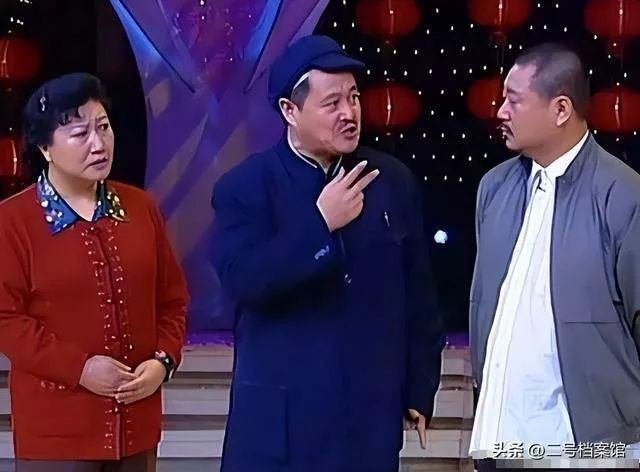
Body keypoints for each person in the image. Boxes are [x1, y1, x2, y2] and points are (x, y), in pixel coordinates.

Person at [210, 35, 444, 472]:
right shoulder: (245, 187)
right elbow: (244, 279)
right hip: (280, 430)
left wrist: (419, 386)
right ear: (290, 111)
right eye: (332, 102)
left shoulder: (391, 180)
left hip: (368, 423)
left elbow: (419, 295)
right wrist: (320, 225)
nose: (349, 113)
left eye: (353, 98)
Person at [0, 73, 188, 471]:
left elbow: (173, 300)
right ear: (45, 148)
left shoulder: (141, 208)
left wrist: (162, 362)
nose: (99, 144)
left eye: (103, 127)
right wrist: (79, 369)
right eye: (79, 134)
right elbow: (6, 320)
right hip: (56, 434)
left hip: (137, 425)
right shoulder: (12, 221)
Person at [469, 42, 640, 471]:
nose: (501, 112)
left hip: (589, 445)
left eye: (514, 100)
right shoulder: (494, 189)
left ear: (561, 109)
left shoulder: (623, 195)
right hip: (503, 439)